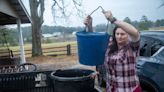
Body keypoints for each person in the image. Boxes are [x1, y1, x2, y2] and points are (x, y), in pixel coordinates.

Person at [84, 10, 142, 92]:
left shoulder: (132, 47)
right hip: (111, 89)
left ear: (128, 35)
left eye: (122, 34)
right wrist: (89, 25)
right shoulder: (110, 44)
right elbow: (94, 40)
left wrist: (113, 19)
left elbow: (135, 33)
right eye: (117, 34)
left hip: (129, 89)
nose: (119, 36)